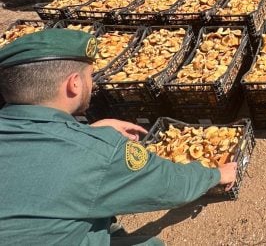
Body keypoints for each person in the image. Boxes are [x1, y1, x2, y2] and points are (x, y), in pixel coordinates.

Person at [0, 29, 238, 245]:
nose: (92, 84)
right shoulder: (97, 153)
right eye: (90, 76)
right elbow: (170, 184)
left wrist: (88, 134)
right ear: (74, 84)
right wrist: (216, 174)